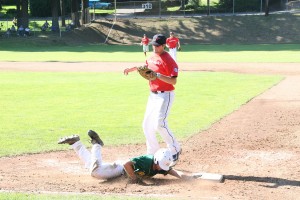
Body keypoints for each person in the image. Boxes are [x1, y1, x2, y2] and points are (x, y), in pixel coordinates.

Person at [123, 34, 181, 167]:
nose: (154, 47)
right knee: (146, 125)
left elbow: (174, 80)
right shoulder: (151, 56)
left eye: (157, 45)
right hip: (153, 95)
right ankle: (152, 153)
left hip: (165, 95)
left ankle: (175, 149)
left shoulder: (169, 60)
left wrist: (159, 76)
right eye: (153, 45)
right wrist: (133, 68)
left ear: (163, 45)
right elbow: (146, 67)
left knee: (160, 124)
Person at [58, 130, 193, 183]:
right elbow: (127, 164)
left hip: (120, 172)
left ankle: (76, 143)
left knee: (90, 166)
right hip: (120, 169)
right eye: (160, 165)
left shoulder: (160, 164)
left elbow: (169, 169)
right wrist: (135, 179)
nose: (160, 168)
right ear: (156, 159)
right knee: (95, 172)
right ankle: (97, 144)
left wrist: (182, 176)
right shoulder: (147, 161)